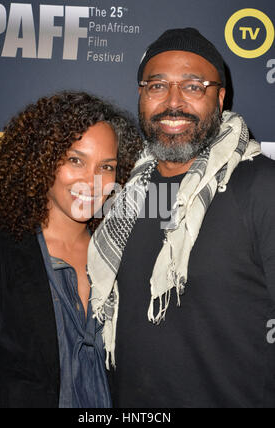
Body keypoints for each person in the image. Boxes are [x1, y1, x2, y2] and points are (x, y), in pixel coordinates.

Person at [88, 28, 275, 408]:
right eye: (157, 86)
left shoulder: (262, 187)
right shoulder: (124, 195)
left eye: (193, 86)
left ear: (220, 98)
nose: (173, 103)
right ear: (141, 95)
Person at [0, 91, 143, 408]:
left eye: (106, 167)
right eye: (76, 160)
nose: (93, 181)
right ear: (41, 161)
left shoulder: (126, 259)